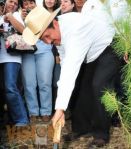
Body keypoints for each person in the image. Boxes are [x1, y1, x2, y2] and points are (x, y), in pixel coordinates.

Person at [22, 5, 120, 147]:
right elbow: (65, 62)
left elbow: (70, 68)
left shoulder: (75, 30)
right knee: (78, 87)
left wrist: (59, 109)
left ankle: (101, 134)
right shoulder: (58, 31)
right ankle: (82, 128)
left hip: (108, 47)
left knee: (99, 85)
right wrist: (63, 98)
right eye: (43, 40)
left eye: (48, 36)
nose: (48, 42)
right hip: (89, 55)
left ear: (55, 23)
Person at [19, 0, 54, 123]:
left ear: (35, 3)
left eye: (31, 3)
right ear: (22, 6)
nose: (29, 6)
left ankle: (46, 111)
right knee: (29, 84)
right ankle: (33, 112)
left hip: (44, 51)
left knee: (45, 83)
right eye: (25, 4)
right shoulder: (20, 17)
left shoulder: (43, 14)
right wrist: (22, 19)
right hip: (27, 52)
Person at [0, 0, 29, 126]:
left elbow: (23, 31)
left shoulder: (16, 15)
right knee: (3, 90)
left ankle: (21, 120)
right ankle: (10, 118)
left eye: (16, 3)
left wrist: (11, 17)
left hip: (11, 57)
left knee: (11, 88)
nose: (13, 4)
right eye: (10, 1)